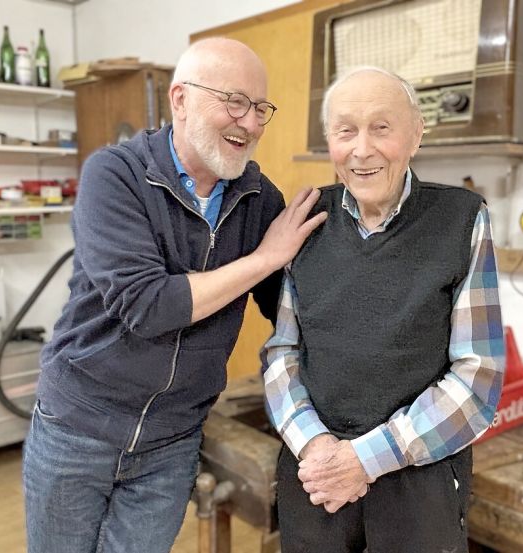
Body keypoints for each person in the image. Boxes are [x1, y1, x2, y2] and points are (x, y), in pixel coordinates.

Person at [23, 37, 326, 553]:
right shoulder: (115, 175)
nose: (250, 123)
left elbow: (291, 309)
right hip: (78, 427)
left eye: (260, 108)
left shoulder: (259, 199)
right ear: (180, 99)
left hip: (171, 442)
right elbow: (148, 305)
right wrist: (263, 259)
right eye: (234, 101)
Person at [261, 66, 505, 553]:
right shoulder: (306, 220)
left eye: (381, 128)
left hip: (419, 480)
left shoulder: (462, 219)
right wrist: (316, 446)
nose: (362, 149)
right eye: (345, 131)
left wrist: (365, 459)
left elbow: (477, 379)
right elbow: (281, 352)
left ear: (416, 135)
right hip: (316, 476)